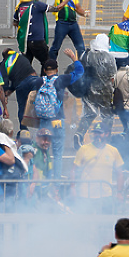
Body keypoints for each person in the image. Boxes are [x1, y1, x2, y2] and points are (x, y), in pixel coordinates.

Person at [30, 49, 83, 178]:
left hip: (44, 121)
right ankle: (56, 181)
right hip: (57, 121)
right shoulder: (61, 80)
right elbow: (79, 72)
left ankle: (45, 178)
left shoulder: (39, 81)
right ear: (57, 69)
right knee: (58, 153)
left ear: (44, 70)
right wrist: (74, 59)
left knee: (44, 151)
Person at [73, 122, 124, 213]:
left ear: (107, 134)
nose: (97, 135)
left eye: (100, 133)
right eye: (95, 132)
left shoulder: (113, 151)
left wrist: (119, 192)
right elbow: (74, 170)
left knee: (104, 223)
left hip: (105, 195)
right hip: (86, 194)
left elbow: (120, 173)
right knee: (86, 223)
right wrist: (73, 188)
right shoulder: (84, 149)